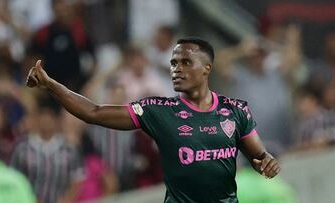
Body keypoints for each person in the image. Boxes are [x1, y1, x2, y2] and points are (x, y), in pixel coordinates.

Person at [26, 37, 280, 202]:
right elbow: (93, 112)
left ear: (206, 69)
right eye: (173, 63)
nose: (176, 69)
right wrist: (50, 85)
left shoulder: (236, 110)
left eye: (185, 62)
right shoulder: (159, 111)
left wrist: (267, 162)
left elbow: (258, 157)